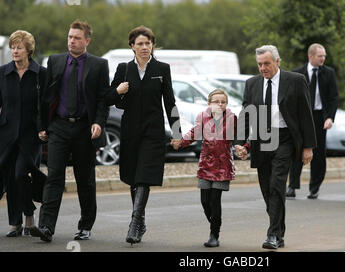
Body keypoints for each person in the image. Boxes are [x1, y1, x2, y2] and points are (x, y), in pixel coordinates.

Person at [30, 20, 109, 242]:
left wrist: (99, 123)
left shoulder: (99, 65)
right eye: (69, 37)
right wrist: (43, 126)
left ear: (87, 41)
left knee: (85, 179)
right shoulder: (54, 61)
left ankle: (85, 226)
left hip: (85, 128)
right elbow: (45, 97)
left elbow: (103, 99)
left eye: (76, 38)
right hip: (59, 127)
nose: (71, 41)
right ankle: (46, 227)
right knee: (54, 177)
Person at [104, 26, 180, 245]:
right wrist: (118, 91)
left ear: (152, 45)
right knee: (133, 177)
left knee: (144, 175)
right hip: (130, 131)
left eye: (148, 43)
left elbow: (170, 102)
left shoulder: (162, 68)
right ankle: (141, 220)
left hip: (153, 132)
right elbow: (108, 98)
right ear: (132, 46)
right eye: (140, 44)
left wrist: (176, 133)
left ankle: (135, 223)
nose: (145, 47)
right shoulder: (123, 69)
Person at [235, 45, 316, 249]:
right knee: (266, 189)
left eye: (267, 64)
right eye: (260, 64)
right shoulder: (252, 83)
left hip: (285, 138)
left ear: (277, 62)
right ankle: (279, 233)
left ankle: (271, 235)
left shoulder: (295, 81)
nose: (263, 68)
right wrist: (240, 143)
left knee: (276, 184)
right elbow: (247, 114)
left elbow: (306, 113)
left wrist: (308, 146)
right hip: (262, 138)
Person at [172, 89, 237, 248]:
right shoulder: (202, 116)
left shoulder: (231, 118)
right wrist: (181, 141)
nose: (220, 104)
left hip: (222, 166)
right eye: (216, 101)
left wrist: (242, 147)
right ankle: (215, 224)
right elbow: (195, 132)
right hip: (206, 165)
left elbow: (239, 136)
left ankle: (214, 235)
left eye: (223, 102)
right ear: (209, 103)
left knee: (215, 201)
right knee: (205, 201)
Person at [0, 30, 46, 237]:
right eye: (12, 47)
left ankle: (29, 215)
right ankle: (15, 223)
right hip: (6, 134)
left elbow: (45, 105)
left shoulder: (40, 73)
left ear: (28, 50)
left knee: (21, 174)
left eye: (19, 47)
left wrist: (44, 129)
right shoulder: (2, 72)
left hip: (31, 136)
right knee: (10, 178)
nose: (14, 51)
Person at [286, 43, 339, 199]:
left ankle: (314, 187)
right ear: (310, 56)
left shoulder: (329, 73)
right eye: (319, 56)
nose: (323, 58)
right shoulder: (297, 74)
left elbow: (333, 98)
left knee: (318, 153)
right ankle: (292, 186)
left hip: (319, 118)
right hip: (301, 118)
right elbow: (290, 98)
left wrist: (330, 117)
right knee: (297, 152)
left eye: (324, 56)